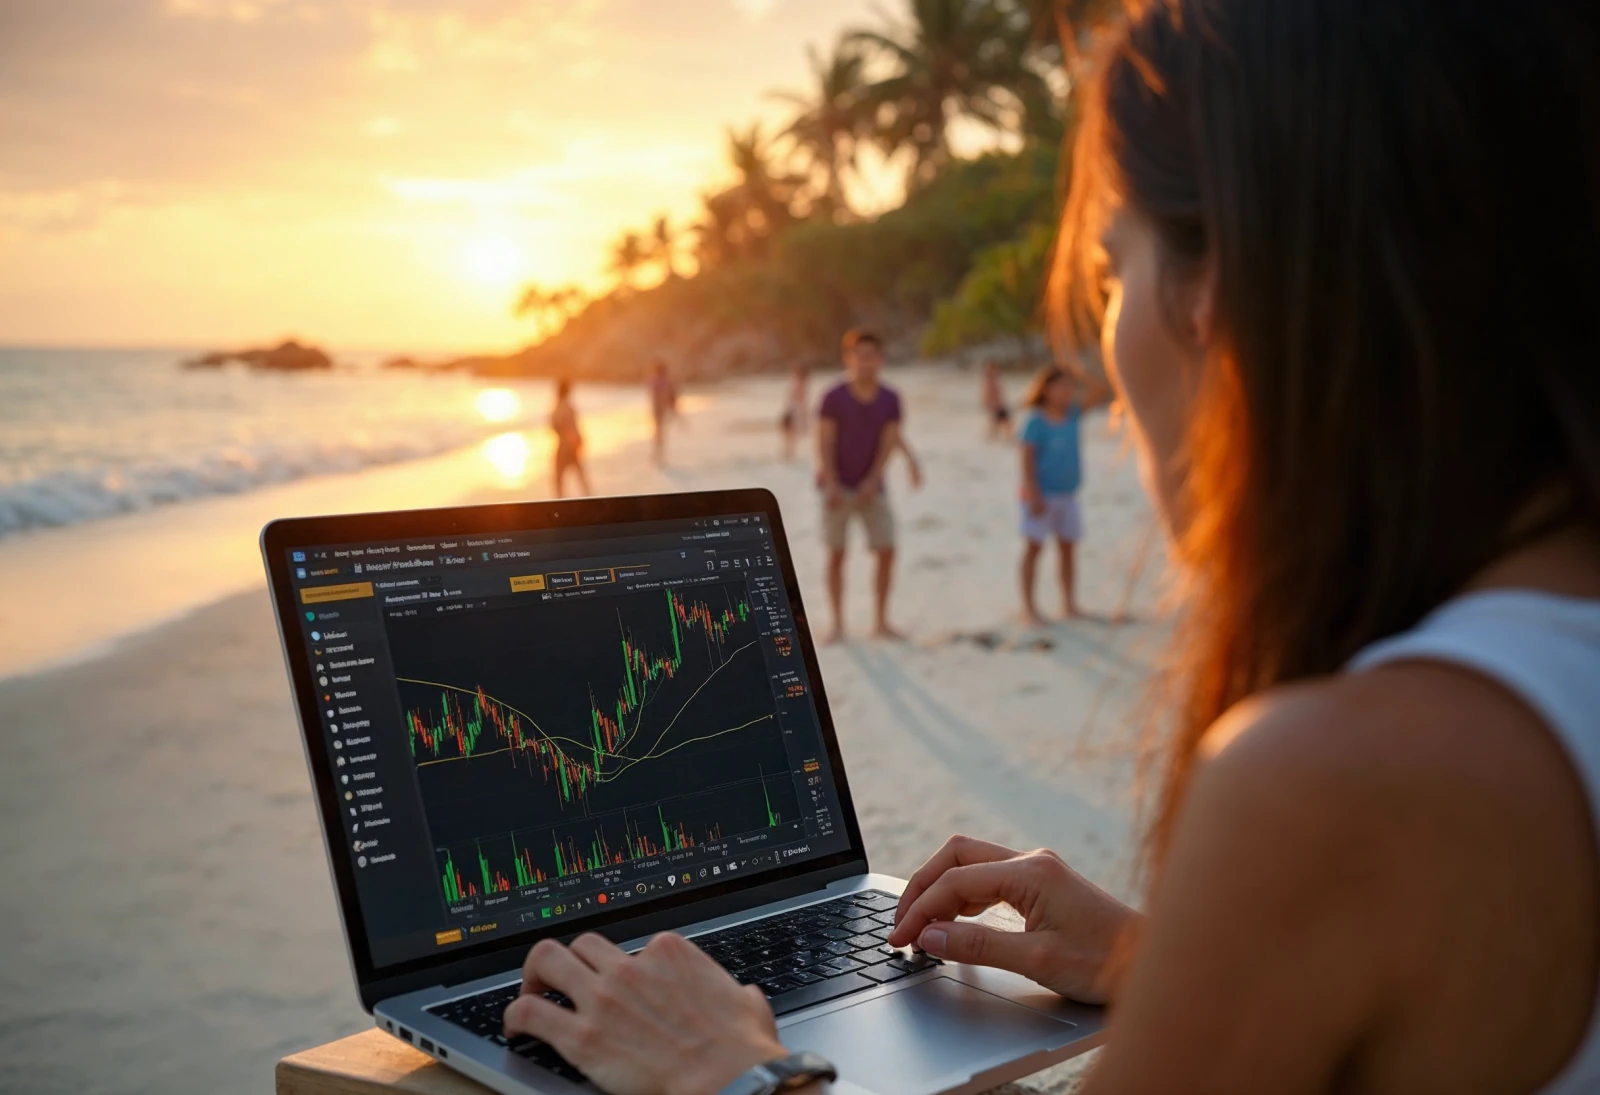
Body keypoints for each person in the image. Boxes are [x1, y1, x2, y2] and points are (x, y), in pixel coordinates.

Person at [501, 3, 1600, 1093]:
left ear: (1214, 296)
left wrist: (737, 1074)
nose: (1106, 344)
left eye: (1114, 271)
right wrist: (1163, 961)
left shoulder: (1330, 783)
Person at [815, 329, 921, 643]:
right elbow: (824, 440)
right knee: (837, 554)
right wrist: (832, 484)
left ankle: (881, 621)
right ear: (849, 359)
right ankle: (837, 624)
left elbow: (890, 439)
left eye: (871, 356)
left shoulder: (890, 398)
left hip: (873, 486)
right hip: (835, 484)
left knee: (887, 549)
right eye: (858, 356)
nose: (865, 362)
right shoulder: (833, 397)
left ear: (880, 359)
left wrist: (875, 480)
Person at [1018, 365, 1086, 624]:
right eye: (1062, 386)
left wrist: (1075, 369)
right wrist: (1033, 494)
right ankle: (1030, 607)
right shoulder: (1036, 421)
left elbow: (1101, 389)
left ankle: (1069, 604)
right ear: (1046, 390)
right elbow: (1026, 459)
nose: (1068, 391)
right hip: (1041, 494)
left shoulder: (1073, 414)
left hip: (1068, 494)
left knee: (1068, 549)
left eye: (1071, 386)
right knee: (1034, 548)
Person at [549, 378, 588, 498]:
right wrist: (578, 441)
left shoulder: (556, 407)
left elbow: (554, 426)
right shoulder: (567, 407)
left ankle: (559, 504)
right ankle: (590, 500)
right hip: (569, 446)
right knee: (580, 477)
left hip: (563, 445)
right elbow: (572, 427)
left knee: (559, 480)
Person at [646, 360, 677, 465]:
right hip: (663, 408)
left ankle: (658, 453)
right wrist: (673, 407)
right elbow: (673, 395)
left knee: (658, 431)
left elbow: (652, 393)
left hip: (657, 408)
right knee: (660, 431)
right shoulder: (667, 381)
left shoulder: (654, 380)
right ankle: (659, 453)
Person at [778, 364, 809, 461]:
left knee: (790, 438)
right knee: (791, 437)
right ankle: (787, 455)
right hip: (792, 414)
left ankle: (787, 454)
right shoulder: (799, 387)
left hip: (791, 414)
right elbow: (800, 404)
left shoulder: (797, 386)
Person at [980, 359, 1012, 440]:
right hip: (996, 406)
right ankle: (1005, 438)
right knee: (1004, 422)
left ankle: (992, 439)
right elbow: (986, 395)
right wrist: (990, 405)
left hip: (999, 405)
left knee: (997, 423)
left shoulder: (995, 379)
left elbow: (1000, 394)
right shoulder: (988, 381)